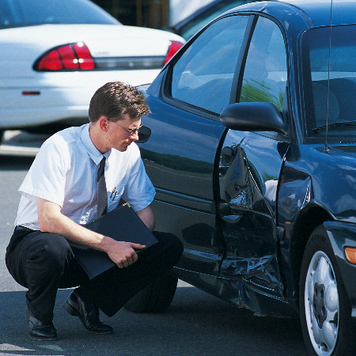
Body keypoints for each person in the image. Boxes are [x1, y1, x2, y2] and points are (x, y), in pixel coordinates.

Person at [5, 81, 183, 341]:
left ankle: (87, 299)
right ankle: (40, 317)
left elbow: (146, 215)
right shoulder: (60, 147)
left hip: (95, 244)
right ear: (104, 124)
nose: (135, 138)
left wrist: (130, 246)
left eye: (139, 131)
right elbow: (49, 220)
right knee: (52, 246)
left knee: (167, 245)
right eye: (130, 131)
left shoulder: (128, 152)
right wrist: (110, 245)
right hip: (38, 247)